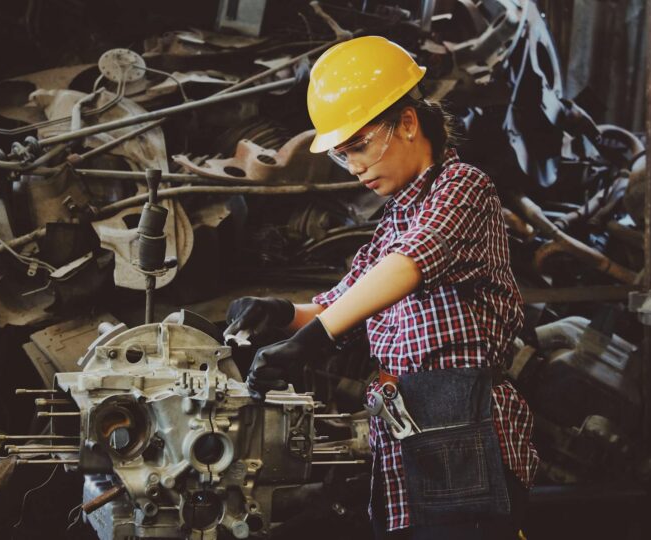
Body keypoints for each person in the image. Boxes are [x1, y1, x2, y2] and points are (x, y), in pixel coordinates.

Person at [224, 36, 538, 539]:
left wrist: (311, 339)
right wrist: (281, 313)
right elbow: (341, 303)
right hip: (406, 428)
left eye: (361, 145)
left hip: (465, 426)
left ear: (408, 123)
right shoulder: (393, 222)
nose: (354, 168)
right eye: (343, 155)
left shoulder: (463, 187)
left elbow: (410, 265)